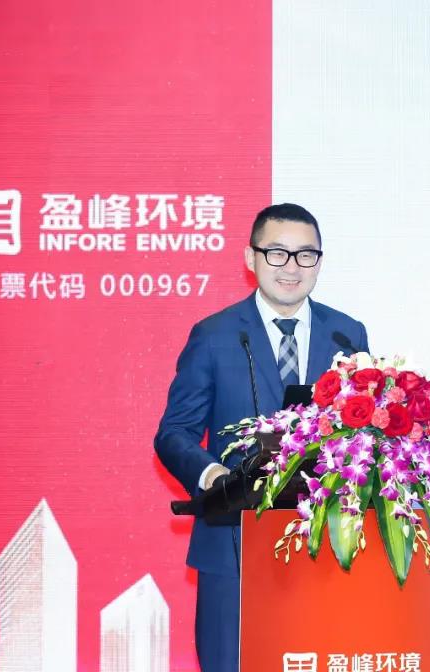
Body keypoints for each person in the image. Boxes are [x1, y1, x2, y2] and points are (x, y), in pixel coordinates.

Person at [154, 203, 368, 671]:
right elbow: (174, 434)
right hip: (232, 544)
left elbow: (363, 431)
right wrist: (213, 475)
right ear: (250, 258)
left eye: (305, 255)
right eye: (277, 253)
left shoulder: (347, 335)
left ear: (319, 262)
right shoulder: (214, 336)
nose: (291, 267)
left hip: (323, 545)